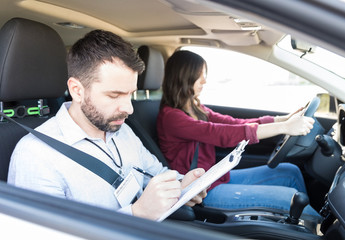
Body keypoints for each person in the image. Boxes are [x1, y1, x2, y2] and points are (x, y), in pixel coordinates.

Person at [7, 30, 207, 221]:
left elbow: (156, 173)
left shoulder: (123, 130)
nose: (129, 108)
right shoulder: (36, 155)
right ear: (77, 91)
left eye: (130, 94)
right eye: (114, 95)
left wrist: (182, 186)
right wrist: (136, 214)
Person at [157, 50, 319, 216]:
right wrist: (284, 128)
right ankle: (320, 229)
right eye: (199, 75)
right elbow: (221, 133)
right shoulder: (171, 117)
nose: (204, 80)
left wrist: (283, 119)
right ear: (183, 77)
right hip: (202, 192)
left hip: (214, 178)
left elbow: (233, 123)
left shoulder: (195, 107)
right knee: (291, 198)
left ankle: (307, 224)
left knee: (289, 171)